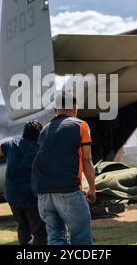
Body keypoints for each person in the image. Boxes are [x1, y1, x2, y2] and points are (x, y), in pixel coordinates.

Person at [31, 91, 96, 245]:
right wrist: (92, 188)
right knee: (81, 239)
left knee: (55, 239)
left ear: (55, 109)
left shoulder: (45, 129)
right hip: (68, 191)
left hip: (43, 196)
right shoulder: (81, 125)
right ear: (75, 108)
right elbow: (87, 160)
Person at [0, 121, 47, 245]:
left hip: (13, 195)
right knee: (39, 231)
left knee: (23, 227)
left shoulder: (12, 144)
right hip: (31, 196)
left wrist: (10, 154)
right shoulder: (40, 149)